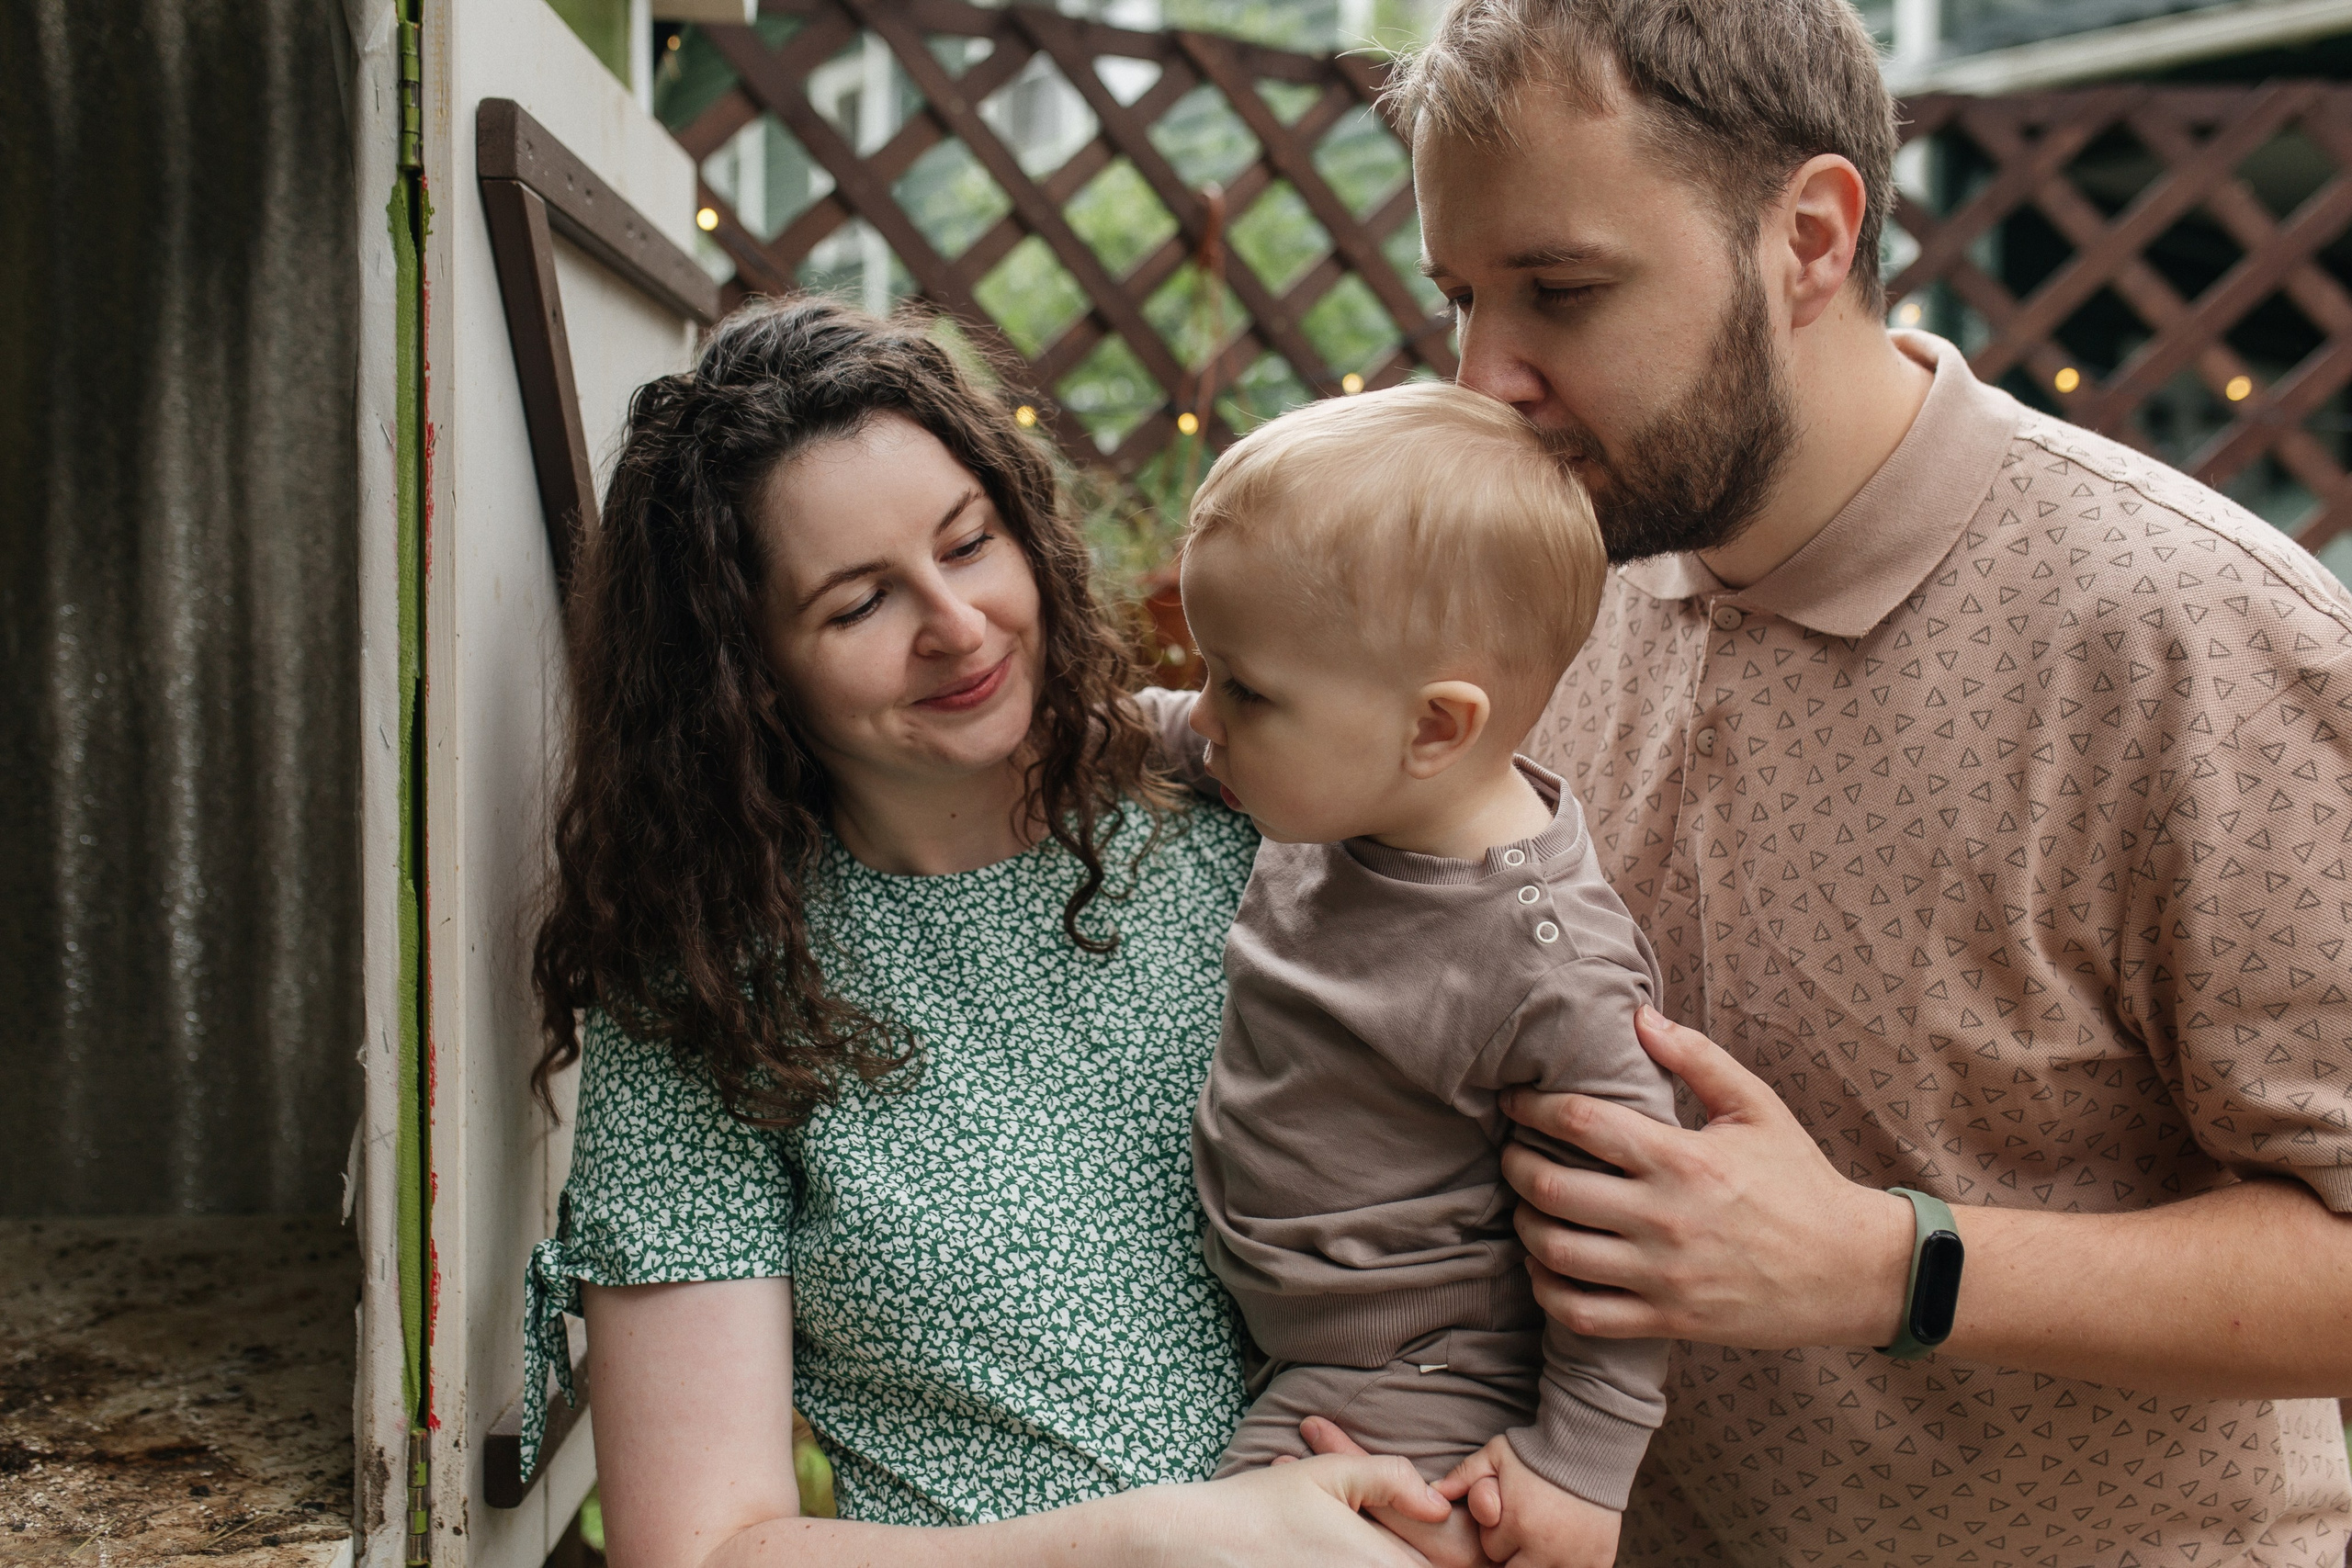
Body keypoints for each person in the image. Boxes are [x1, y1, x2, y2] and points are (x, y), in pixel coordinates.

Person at [1300, 0, 2352, 1563]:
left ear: (1809, 237)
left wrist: (1888, 1265)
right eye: (1461, 296)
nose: (1483, 376)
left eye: (1560, 291)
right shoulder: (1536, 587)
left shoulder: (2191, 635)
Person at [519, 297, 1453, 1568]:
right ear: (742, 673)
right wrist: (1164, 1541)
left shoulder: (1263, 818)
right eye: (859, 605)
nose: (955, 627)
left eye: (968, 543)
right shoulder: (713, 985)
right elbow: (696, 1550)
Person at [1155, 381, 1678, 1568]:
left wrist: (1582, 1473)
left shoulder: (1547, 968)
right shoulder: (1349, 787)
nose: (1208, 715)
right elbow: (1180, 733)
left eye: (1247, 690)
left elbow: (1634, 1240)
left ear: (1436, 728)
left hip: (1416, 1379)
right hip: (1303, 1326)